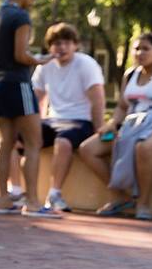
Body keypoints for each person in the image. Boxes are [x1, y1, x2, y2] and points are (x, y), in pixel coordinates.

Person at [76, 32, 152, 221]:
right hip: (130, 126)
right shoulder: (130, 74)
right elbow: (122, 107)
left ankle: (143, 203)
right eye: (137, 49)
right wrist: (112, 124)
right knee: (88, 149)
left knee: (144, 147)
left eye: (146, 49)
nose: (140, 53)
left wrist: (149, 122)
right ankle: (119, 195)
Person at [0, 0, 57, 217]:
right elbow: (20, 55)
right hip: (18, 83)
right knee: (33, 142)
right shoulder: (20, 16)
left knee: (5, 142)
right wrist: (41, 60)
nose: (33, 1)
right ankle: (33, 203)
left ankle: (3, 200)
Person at [30, 23, 104, 212]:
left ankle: (54, 195)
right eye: (55, 44)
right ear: (49, 47)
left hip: (81, 120)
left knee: (63, 142)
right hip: (53, 120)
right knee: (19, 140)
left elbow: (98, 100)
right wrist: (32, 125)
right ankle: (16, 191)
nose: (60, 48)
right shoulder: (44, 66)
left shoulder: (86, 64)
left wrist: (98, 129)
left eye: (65, 43)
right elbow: (37, 99)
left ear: (75, 45)